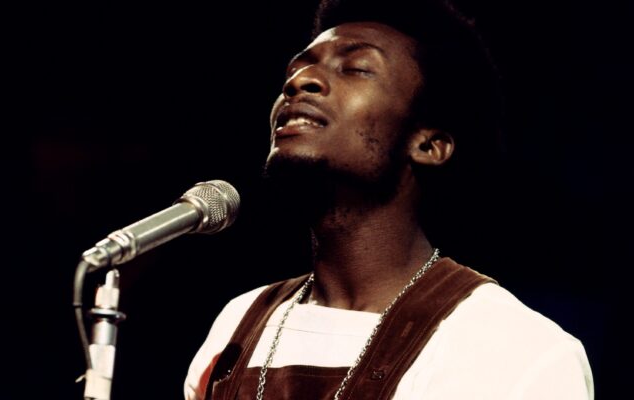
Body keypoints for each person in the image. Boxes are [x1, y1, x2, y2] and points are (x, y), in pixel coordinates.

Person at [185, 0, 594, 398]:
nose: (300, 81)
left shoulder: (514, 348)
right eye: (296, 70)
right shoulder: (238, 326)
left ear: (428, 145)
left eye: (356, 68)